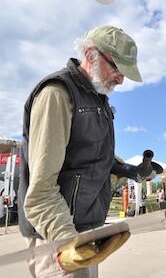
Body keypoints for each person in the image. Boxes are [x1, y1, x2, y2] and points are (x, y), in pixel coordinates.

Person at [18, 25, 143, 278]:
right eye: (117, 68)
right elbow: (41, 191)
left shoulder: (99, 101)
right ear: (90, 54)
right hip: (56, 236)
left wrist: (126, 169)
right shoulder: (57, 94)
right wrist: (67, 243)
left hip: (83, 234)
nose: (121, 79)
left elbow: (89, 158)